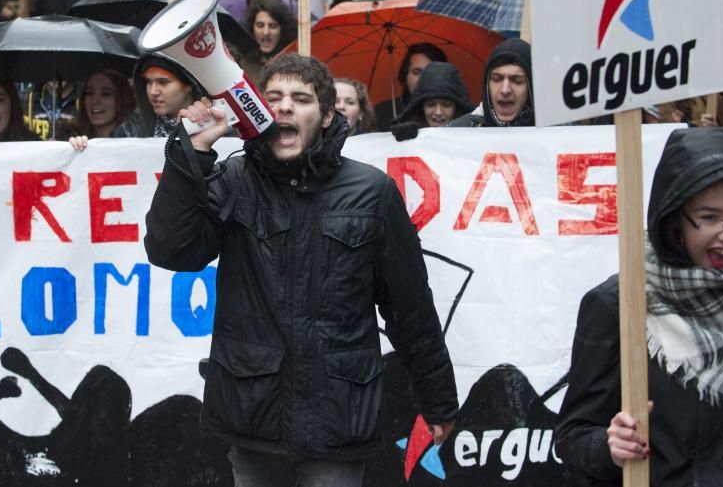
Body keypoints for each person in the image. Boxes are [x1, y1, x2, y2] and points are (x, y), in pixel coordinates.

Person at [144, 54, 458, 486]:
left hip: (338, 422)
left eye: (301, 98)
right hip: (255, 419)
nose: (285, 107)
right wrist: (192, 153)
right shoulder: (235, 177)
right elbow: (172, 251)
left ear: (327, 115)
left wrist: (437, 399)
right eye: (273, 98)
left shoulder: (372, 192)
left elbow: (410, 306)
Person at [556, 127, 723, 487]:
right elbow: (573, 438)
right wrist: (610, 448)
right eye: (710, 217)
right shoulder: (619, 305)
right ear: (674, 220)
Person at [112, 54, 203, 138]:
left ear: (189, 86)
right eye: (148, 82)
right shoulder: (131, 128)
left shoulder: (210, 123)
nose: (153, 91)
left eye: (163, 82)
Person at [450, 38, 534, 127]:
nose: (505, 90)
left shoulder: (548, 135)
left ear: (531, 89)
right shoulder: (459, 131)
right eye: (497, 79)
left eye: (517, 81)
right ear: (487, 84)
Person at [373, 42, 447, 131]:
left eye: (431, 71)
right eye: (416, 72)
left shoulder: (456, 113)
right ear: (405, 75)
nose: (423, 79)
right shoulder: (382, 113)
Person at [392, 61, 475, 140]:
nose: (438, 112)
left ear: (457, 107)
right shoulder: (407, 133)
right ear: (421, 107)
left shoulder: (475, 134)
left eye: (446, 104)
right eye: (430, 104)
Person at [68, 68, 135, 151]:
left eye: (105, 94)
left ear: (122, 99)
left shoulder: (136, 140)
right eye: (89, 93)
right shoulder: (69, 135)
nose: (95, 100)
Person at [242, 0, 297, 87]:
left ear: (283, 30)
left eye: (272, 26)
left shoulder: (295, 65)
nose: (266, 32)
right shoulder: (241, 64)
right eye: (260, 25)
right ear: (252, 28)